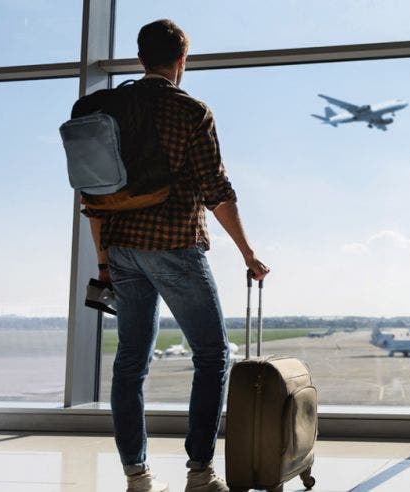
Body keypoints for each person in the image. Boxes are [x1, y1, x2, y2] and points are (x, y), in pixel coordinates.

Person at [82, 19, 269, 492]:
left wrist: (104, 261)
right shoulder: (191, 111)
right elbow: (217, 192)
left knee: (130, 363)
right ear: (181, 61)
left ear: (141, 58)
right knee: (212, 355)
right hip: (173, 245)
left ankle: (136, 476)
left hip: (122, 248)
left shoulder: (109, 110)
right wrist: (248, 252)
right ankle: (201, 473)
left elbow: (94, 197)